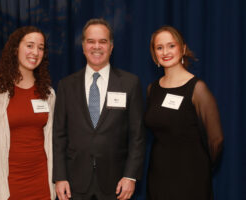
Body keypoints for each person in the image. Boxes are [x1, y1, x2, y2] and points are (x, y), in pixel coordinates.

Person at [53, 18, 145, 200]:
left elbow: (137, 136)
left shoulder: (130, 83)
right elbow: (59, 135)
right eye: (91, 41)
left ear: (111, 47)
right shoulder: (66, 85)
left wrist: (130, 176)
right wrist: (60, 176)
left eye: (103, 41)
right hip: (74, 183)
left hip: (116, 183)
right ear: (83, 46)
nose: (97, 47)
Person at [0, 26, 56, 200]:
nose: (35, 52)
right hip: (10, 185)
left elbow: (51, 138)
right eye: (30, 45)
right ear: (15, 49)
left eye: (40, 47)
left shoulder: (48, 93)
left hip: (42, 182)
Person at [145, 25, 224, 200]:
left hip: (191, 179)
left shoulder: (198, 89)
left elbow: (216, 140)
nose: (165, 51)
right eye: (159, 47)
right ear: (154, 54)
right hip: (158, 177)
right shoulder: (153, 89)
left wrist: (199, 166)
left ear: (183, 48)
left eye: (171, 45)